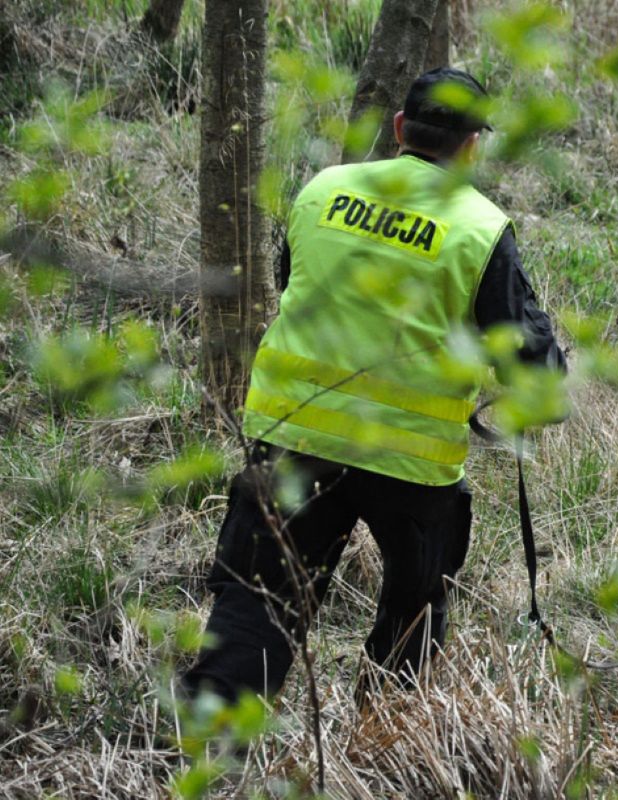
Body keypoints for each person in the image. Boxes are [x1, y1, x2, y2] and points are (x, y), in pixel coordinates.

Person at [182, 67, 566, 703]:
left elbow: (293, 286)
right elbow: (529, 361)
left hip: (293, 436)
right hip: (411, 467)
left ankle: (211, 749)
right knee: (415, 609)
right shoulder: (478, 225)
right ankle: (384, 735)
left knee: (256, 608)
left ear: (397, 130)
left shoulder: (322, 190)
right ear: (473, 146)